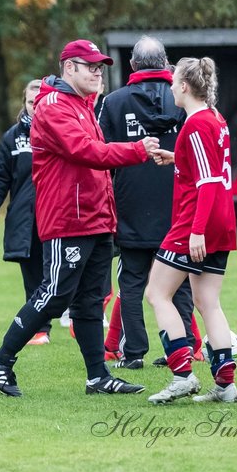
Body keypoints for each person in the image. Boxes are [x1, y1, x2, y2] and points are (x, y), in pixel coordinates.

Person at [0, 39, 166, 398]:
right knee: (54, 294)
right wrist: (136, 149)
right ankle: (1, 359)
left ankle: (97, 376)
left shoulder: (81, 105)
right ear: (69, 68)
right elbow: (87, 152)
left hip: (95, 218)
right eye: (91, 66)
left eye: (101, 67)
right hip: (69, 217)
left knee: (89, 300)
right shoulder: (52, 106)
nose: (98, 72)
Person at [98, 37, 199, 370]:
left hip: (131, 205)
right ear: (166, 63)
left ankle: (134, 353)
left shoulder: (113, 103)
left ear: (132, 66)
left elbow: (101, 156)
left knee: (131, 282)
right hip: (177, 206)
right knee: (179, 284)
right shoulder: (182, 99)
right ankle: (181, 349)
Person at [144, 58, 237, 404]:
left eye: (173, 82)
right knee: (207, 301)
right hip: (222, 220)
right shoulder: (216, 119)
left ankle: (182, 375)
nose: (170, 87)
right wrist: (177, 157)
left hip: (195, 222)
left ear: (185, 87)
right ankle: (226, 385)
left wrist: (196, 231)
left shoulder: (197, 124)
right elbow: (208, 166)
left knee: (157, 293)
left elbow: (210, 181)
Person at [0, 80, 53, 344]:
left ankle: (76, 316)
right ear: (25, 103)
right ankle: (40, 328)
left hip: (58, 214)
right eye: (32, 102)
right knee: (33, 275)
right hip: (25, 219)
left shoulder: (62, 130)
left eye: (41, 102)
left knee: (60, 273)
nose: (36, 107)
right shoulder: (13, 136)